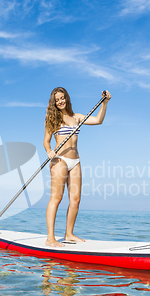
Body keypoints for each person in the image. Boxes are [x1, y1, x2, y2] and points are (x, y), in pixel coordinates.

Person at [43, 87, 111, 247]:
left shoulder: (77, 117)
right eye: (57, 99)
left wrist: (105, 103)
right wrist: (49, 151)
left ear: (66, 98)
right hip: (60, 160)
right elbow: (46, 140)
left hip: (75, 161)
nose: (60, 101)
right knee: (56, 198)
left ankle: (69, 234)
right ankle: (50, 238)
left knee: (75, 200)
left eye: (62, 98)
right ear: (54, 102)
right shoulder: (52, 119)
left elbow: (98, 120)